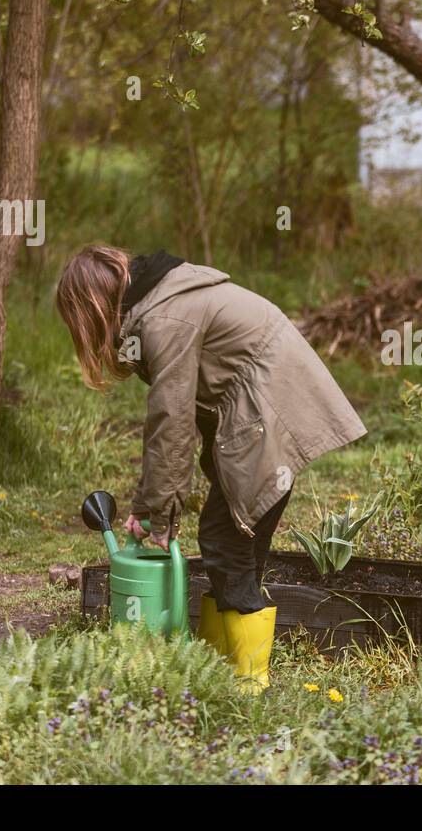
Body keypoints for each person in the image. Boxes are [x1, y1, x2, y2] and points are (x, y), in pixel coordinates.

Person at [56, 247, 367, 690]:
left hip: (269, 402)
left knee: (225, 541)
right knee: (237, 541)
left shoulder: (164, 320)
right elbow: (181, 421)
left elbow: (171, 421)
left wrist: (159, 516)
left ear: (92, 307)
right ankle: (223, 664)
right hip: (261, 402)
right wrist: (149, 505)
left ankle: (247, 679)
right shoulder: (157, 304)